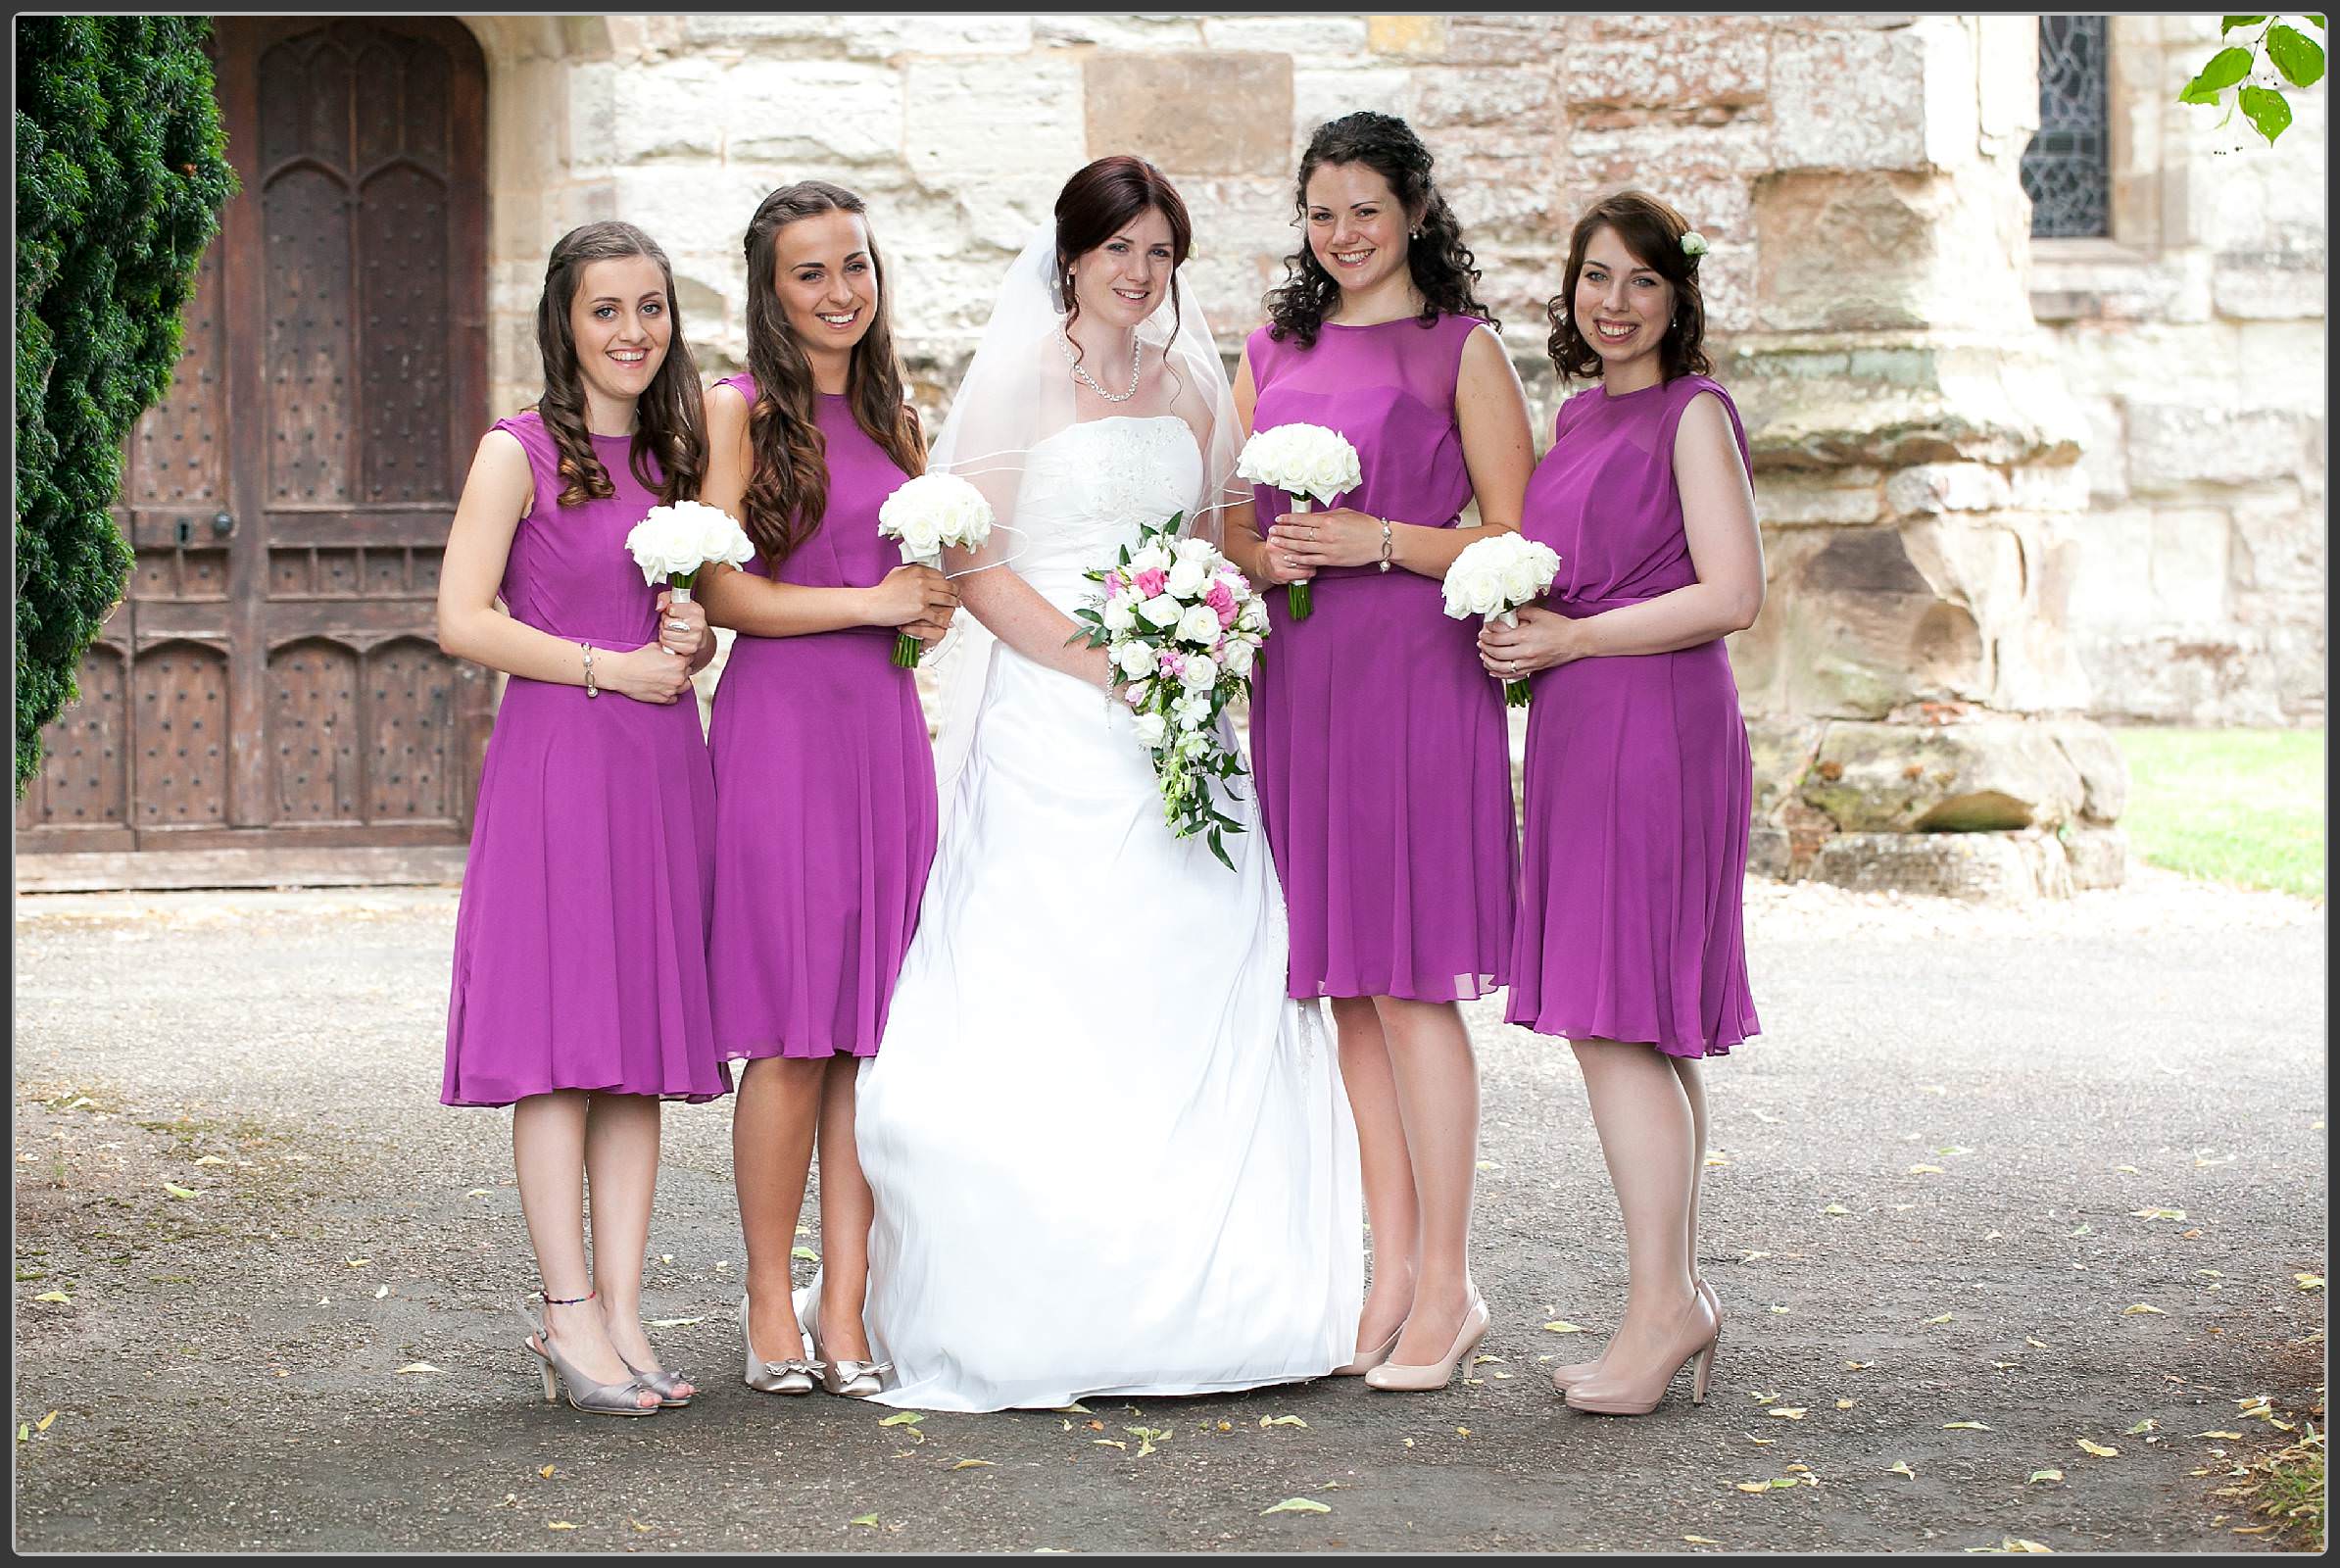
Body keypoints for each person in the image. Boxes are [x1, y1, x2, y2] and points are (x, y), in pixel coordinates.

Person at [846, 156, 1363, 1411]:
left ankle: (1221, 1290)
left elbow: (1207, 548)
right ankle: (1043, 1295)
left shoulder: (1193, 385)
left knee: (1193, 969)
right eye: (1121, 250)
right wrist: (1104, 667)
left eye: (1162, 256)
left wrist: (1200, 639)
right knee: (1057, 977)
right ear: (1070, 258)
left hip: (1181, 707)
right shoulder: (1020, 382)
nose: (1141, 275)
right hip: (1056, 716)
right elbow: (974, 565)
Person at [1225, 112, 1536, 1392]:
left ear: (1413, 209)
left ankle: (1453, 1282)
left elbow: (1517, 539)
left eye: (1365, 207)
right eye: (1321, 211)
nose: (1343, 234)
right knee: (1346, 983)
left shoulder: (1463, 350)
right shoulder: (1270, 349)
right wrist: (1276, 553)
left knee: (1411, 982)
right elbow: (1234, 533)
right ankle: (1390, 1271)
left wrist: (1381, 542)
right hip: (1302, 682)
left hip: (1414, 677)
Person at [1478, 189, 1763, 1416]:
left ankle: (1663, 1309)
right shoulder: (1581, 412)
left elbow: (1732, 591)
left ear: (1676, 297)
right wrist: (1524, 636)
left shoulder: (1694, 414)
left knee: (1613, 1016)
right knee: (1633, 1017)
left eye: (1642, 281)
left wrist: (1576, 637)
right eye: (1598, 277)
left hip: (1656, 724)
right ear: (1574, 290)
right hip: (1590, 722)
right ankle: (1671, 1296)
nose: (1616, 301)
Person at [436, 220, 727, 1416]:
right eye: (608, 309)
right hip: (560, 760)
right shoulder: (516, 452)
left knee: (636, 1053)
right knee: (560, 1049)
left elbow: (683, 612)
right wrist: (609, 667)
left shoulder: (676, 454)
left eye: (651, 307)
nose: (632, 332)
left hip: (660, 765)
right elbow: (462, 617)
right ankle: (563, 1316)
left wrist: (689, 638)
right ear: (566, 321)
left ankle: (621, 1304)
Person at [697, 181, 955, 1399]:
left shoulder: (904, 416)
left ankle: (844, 1308)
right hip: (782, 736)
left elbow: (917, 603)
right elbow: (721, 592)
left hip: (883, 738)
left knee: (870, 1041)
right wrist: (871, 605)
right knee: (795, 1040)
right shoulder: (736, 412)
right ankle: (765, 1305)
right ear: (770, 289)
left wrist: (925, 615)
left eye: (855, 265)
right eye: (811, 273)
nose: (841, 291)